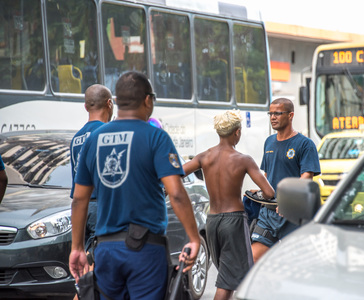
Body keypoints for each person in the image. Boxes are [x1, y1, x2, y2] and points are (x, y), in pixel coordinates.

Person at [69, 71, 200, 299]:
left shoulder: (93, 139)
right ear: (147, 100)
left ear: (116, 102)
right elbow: (176, 193)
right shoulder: (156, 137)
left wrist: (77, 248)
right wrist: (194, 238)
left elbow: (79, 198)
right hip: (145, 251)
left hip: (106, 251)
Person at [183, 109, 274, 300]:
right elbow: (269, 192)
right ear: (237, 132)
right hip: (233, 222)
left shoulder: (204, 157)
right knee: (229, 281)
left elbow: (177, 172)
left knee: (229, 277)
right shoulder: (243, 160)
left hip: (212, 222)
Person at [251, 98, 321, 263]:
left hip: (293, 214)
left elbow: (306, 178)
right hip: (268, 214)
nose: (273, 117)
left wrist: (288, 202)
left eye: (277, 113)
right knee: (254, 258)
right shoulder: (269, 142)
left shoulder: (305, 144)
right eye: (271, 113)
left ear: (290, 115)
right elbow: (268, 176)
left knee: (295, 263)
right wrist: (260, 191)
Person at [70, 84, 113, 253]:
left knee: (88, 257)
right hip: (101, 207)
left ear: (86, 106)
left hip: (81, 209)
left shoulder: (76, 138)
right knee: (99, 260)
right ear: (109, 104)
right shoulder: (107, 133)